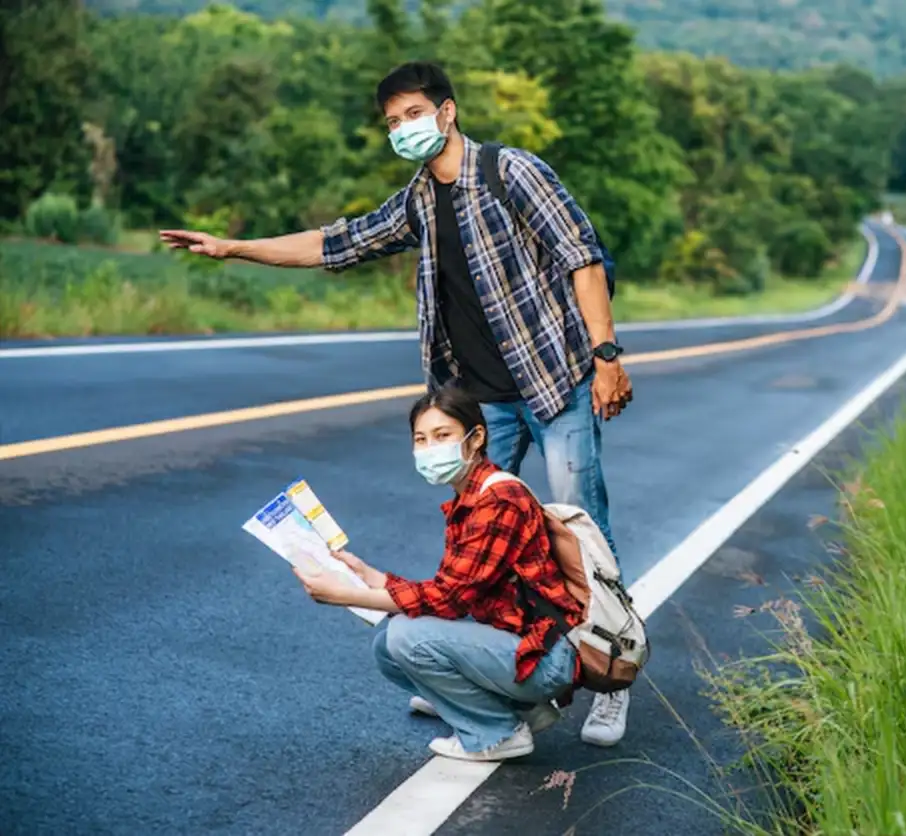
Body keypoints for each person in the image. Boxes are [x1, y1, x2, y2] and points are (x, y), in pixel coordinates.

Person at [160, 61, 634, 746]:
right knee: (479, 541)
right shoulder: (417, 200)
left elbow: (580, 256)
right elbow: (335, 242)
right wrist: (234, 247)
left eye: (412, 114)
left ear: (447, 112)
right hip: (482, 406)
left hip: (554, 383)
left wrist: (606, 356)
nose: (402, 129)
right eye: (391, 122)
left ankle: (612, 676)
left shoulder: (513, 173)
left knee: (581, 537)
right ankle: (491, 683)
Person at [293, 387, 582, 763]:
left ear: (475, 438)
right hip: (517, 645)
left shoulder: (499, 501)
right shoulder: (471, 496)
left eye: (443, 436)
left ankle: (497, 733)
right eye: (421, 439)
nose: (431, 448)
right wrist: (368, 575)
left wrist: (345, 595)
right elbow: (450, 593)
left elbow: (447, 599)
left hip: (543, 658)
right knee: (388, 648)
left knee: (407, 637)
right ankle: (519, 709)